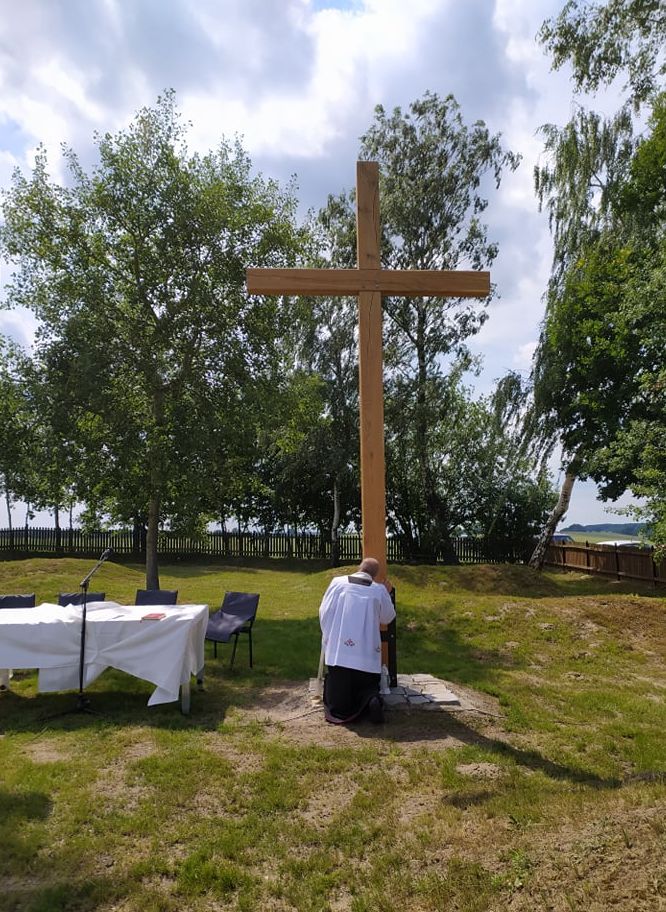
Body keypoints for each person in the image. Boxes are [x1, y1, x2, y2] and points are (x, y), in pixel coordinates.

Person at [319, 557, 396, 724]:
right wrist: (387, 593)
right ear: (375, 575)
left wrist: (328, 635)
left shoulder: (337, 583)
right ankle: (371, 700)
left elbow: (324, 610)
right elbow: (387, 617)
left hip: (340, 652)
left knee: (339, 695)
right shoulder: (378, 590)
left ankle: (342, 710)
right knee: (366, 687)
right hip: (366, 654)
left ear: (359, 567)